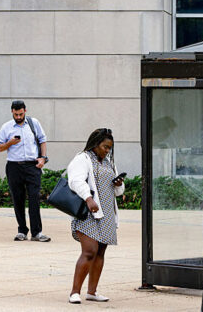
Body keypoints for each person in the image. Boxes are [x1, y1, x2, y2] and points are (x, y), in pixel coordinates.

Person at [66, 128, 125, 304]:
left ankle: (92, 291)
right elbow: (75, 180)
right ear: (95, 144)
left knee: (100, 252)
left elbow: (118, 191)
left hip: (106, 213)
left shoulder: (108, 162)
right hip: (88, 212)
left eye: (110, 148)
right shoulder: (83, 159)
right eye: (105, 147)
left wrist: (118, 183)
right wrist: (88, 198)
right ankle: (74, 292)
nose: (107, 151)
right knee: (89, 251)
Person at [0, 100, 50, 242]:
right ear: (12, 112)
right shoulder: (6, 127)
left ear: (25, 110)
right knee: (17, 199)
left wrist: (42, 158)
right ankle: (22, 231)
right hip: (14, 167)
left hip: (32, 166)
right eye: (16, 114)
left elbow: (42, 140)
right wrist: (10, 143)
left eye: (20, 114)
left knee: (34, 199)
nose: (18, 117)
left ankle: (37, 233)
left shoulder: (33, 123)